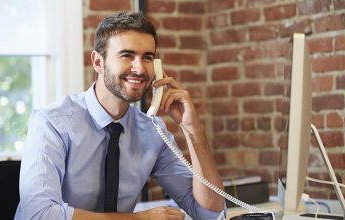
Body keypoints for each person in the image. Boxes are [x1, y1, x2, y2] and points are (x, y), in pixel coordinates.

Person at [15, 11, 225, 220]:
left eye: (148, 57)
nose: (140, 68)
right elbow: (40, 215)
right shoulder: (51, 123)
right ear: (98, 62)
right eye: (127, 55)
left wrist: (193, 129)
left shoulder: (152, 132)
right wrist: (140, 219)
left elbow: (209, 213)